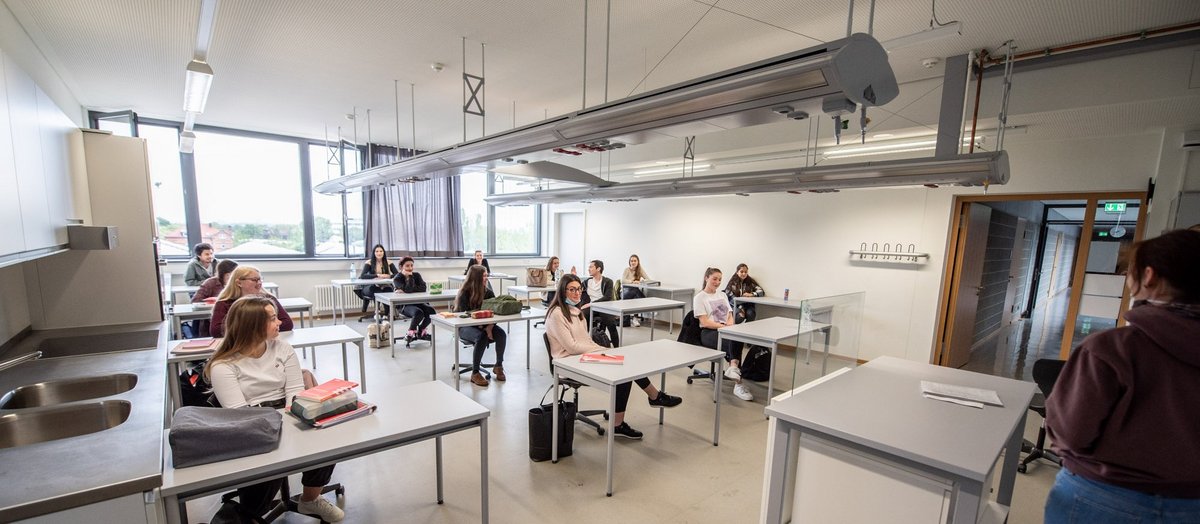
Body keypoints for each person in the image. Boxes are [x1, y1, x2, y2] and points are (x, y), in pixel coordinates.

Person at [1044, 229, 1200, 523]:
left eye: (1129, 272)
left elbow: (1071, 432)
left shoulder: (1112, 348)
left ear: (1149, 276)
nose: (1127, 280)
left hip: (1103, 498)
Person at [206, 296, 344, 522]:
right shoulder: (223, 365)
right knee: (266, 474)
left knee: (325, 443)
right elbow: (240, 414)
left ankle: (310, 499)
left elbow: (295, 390)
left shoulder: (282, 347)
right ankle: (249, 514)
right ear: (252, 325)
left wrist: (295, 418)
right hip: (252, 423)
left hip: (288, 411)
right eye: (272, 319)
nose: (279, 322)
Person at [545, 274, 682, 440]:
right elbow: (571, 346)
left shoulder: (577, 312)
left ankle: (651, 399)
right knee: (624, 371)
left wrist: (598, 350)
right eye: (571, 290)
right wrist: (599, 349)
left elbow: (585, 341)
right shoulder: (556, 314)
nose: (576, 293)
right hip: (568, 364)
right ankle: (653, 398)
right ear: (562, 291)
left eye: (579, 289)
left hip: (583, 357)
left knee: (627, 366)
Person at [694, 267, 753, 401]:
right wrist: (723, 327)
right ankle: (738, 383)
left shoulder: (722, 295)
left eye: (720, 279)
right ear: (706, 278)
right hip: (709, 332)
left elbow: (730, 314)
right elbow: (704, 322)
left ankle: (733, 368)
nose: (717, 282)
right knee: (732, 340)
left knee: (736, 335)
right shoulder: (699, 297)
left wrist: (730, 325)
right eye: (714, 279)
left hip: (725, 328)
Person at [455, 265, 507, 387]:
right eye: (484, 276)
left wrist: (489, 327)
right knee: (482, 337)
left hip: (485, 326)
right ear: (476, 278)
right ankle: (475, 373)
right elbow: (462, 318)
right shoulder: (464, 293)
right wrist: (482, 327)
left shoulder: (488, 292)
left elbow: (494, 313)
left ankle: (498, 365)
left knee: (501, 334)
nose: (486, 278)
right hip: (464, 327)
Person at [210, 266, 293, 338]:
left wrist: (246, 329)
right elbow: (216, 331)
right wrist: (265, 327)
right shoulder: (224, 303)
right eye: (255, 280)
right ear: (239, 282)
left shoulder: (268, 299)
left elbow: (287, 323)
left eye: (260, 279)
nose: (259, 283)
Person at [392, 256, 436, 343]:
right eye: (407, 266)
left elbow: (423, 288)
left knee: (432, 312)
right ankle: (410, 333)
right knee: (418, 313)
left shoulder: (417, 275)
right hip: (404, 305)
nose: (410, 268)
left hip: (418, 302)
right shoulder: (397, 278)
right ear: (401, 267)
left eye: (412, 265)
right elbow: (409, 290)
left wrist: (406, 289)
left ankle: (421, 330)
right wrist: (409, 278)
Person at [190, 259, 238, 337]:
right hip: (212, 320)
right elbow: (195, 300)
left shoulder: (237, 283)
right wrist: (214, 302)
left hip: (234, 320)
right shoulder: (210, 283)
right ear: (227, 274)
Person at [578, 259, 620, 347]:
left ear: (598, 269)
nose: (588, 269)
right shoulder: (587, 282)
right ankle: (585, 343)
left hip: (603, 307)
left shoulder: (608, 282)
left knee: (610, 323)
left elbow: (607, 297)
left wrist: (591, 304)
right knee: (584, 316)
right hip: (591, 307)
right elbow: (578, 289)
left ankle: (617, 346)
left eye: (591, 267)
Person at [355, 244, 397, 315]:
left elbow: (397, 274)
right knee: (377, 291)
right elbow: (363, 276)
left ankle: (387, 313)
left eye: (381, 251)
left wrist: (388, 276)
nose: (379, 253)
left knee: (388, 290)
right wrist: (377, 275)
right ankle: (377, 311)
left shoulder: (388, 262)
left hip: (384, 285)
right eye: (377, 251)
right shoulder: (369, 262)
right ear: (374, 253)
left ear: (384, 252)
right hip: (369, 286)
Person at [620, 254, 649, 327]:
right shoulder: (627, 270)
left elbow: (648, 279)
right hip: (624, 291)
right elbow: (622, 281)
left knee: (636, 296)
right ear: (629, 262)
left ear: (638, 262)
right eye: (631, 261)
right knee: (636, 291)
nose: (633, 262)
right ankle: (647, 305)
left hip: (634, 292)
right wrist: (633, 281)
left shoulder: (640, 270)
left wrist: (642, 282)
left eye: (635, 261)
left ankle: (635, 318)